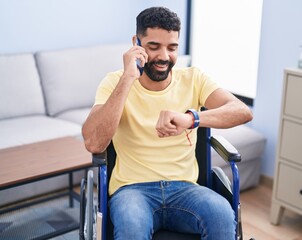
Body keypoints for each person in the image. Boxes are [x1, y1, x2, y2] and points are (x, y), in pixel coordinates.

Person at [82, 6, 253, 240]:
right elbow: (93, 142)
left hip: (185, 189)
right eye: (154, 47)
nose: (164, 57)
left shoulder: (194, 78)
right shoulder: (114, 82)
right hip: (132, 191)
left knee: (222, 214)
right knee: (131, 228)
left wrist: (192, 118)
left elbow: (241, 111)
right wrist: (128, 77)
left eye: (172, 48)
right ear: (136, 43)